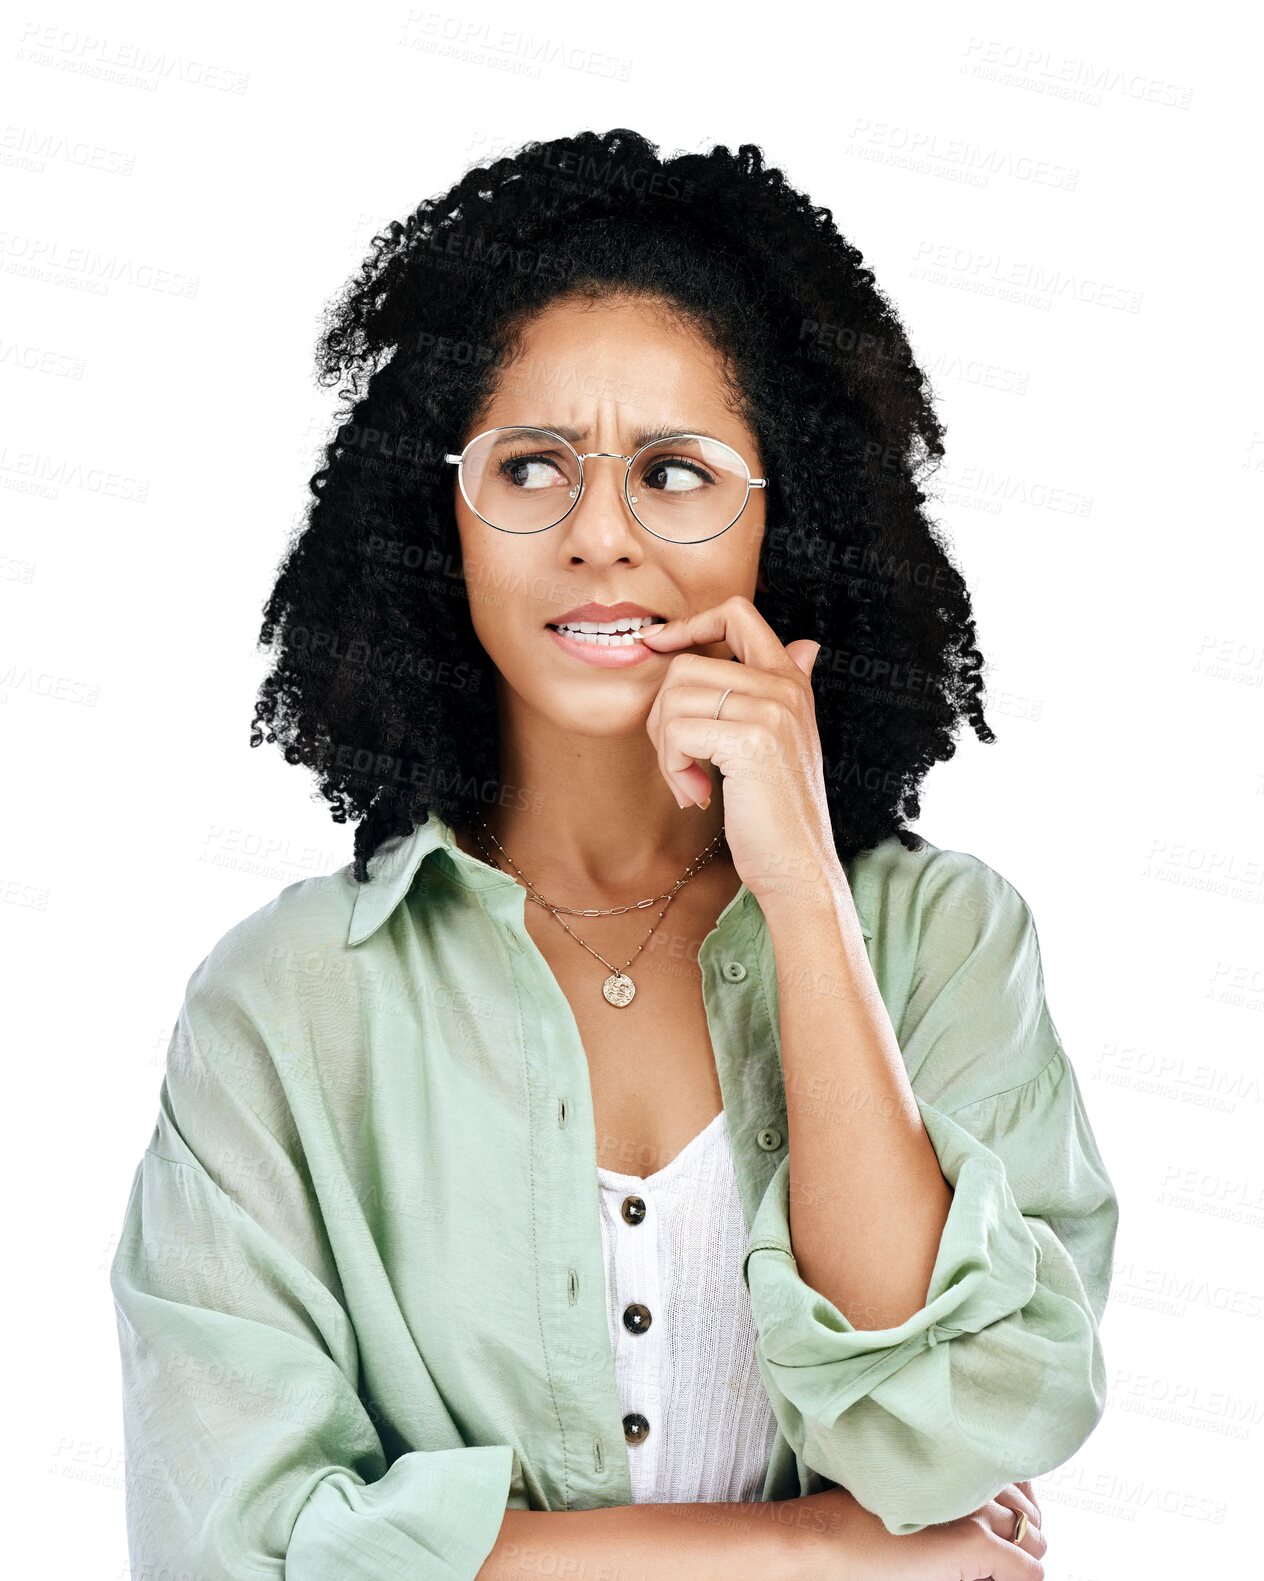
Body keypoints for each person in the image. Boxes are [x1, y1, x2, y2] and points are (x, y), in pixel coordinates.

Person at [109, 128, 1117, 1581]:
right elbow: (241, 1552)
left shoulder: (947, 944)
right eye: (531, 465)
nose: (600, 535)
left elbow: (948, 1434)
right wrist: (818, 1556)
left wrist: (807, 897)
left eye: (677, 470)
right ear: (436, 516)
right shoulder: (283, 1007)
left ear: (792, 513)